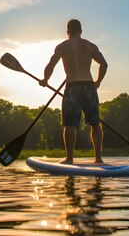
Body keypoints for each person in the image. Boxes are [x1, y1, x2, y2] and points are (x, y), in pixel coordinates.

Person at [39, 19, 108, 164]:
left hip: (72, 87)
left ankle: (69, 159)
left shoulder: (62, 46)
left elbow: (51, 65)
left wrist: (45, 79)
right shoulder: (90, 46)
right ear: (81, 31)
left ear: (67, 32)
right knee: (95, 123)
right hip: (89, 86)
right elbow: (104, 64)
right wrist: (98, 81)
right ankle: (98, 158)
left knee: (70, 124)